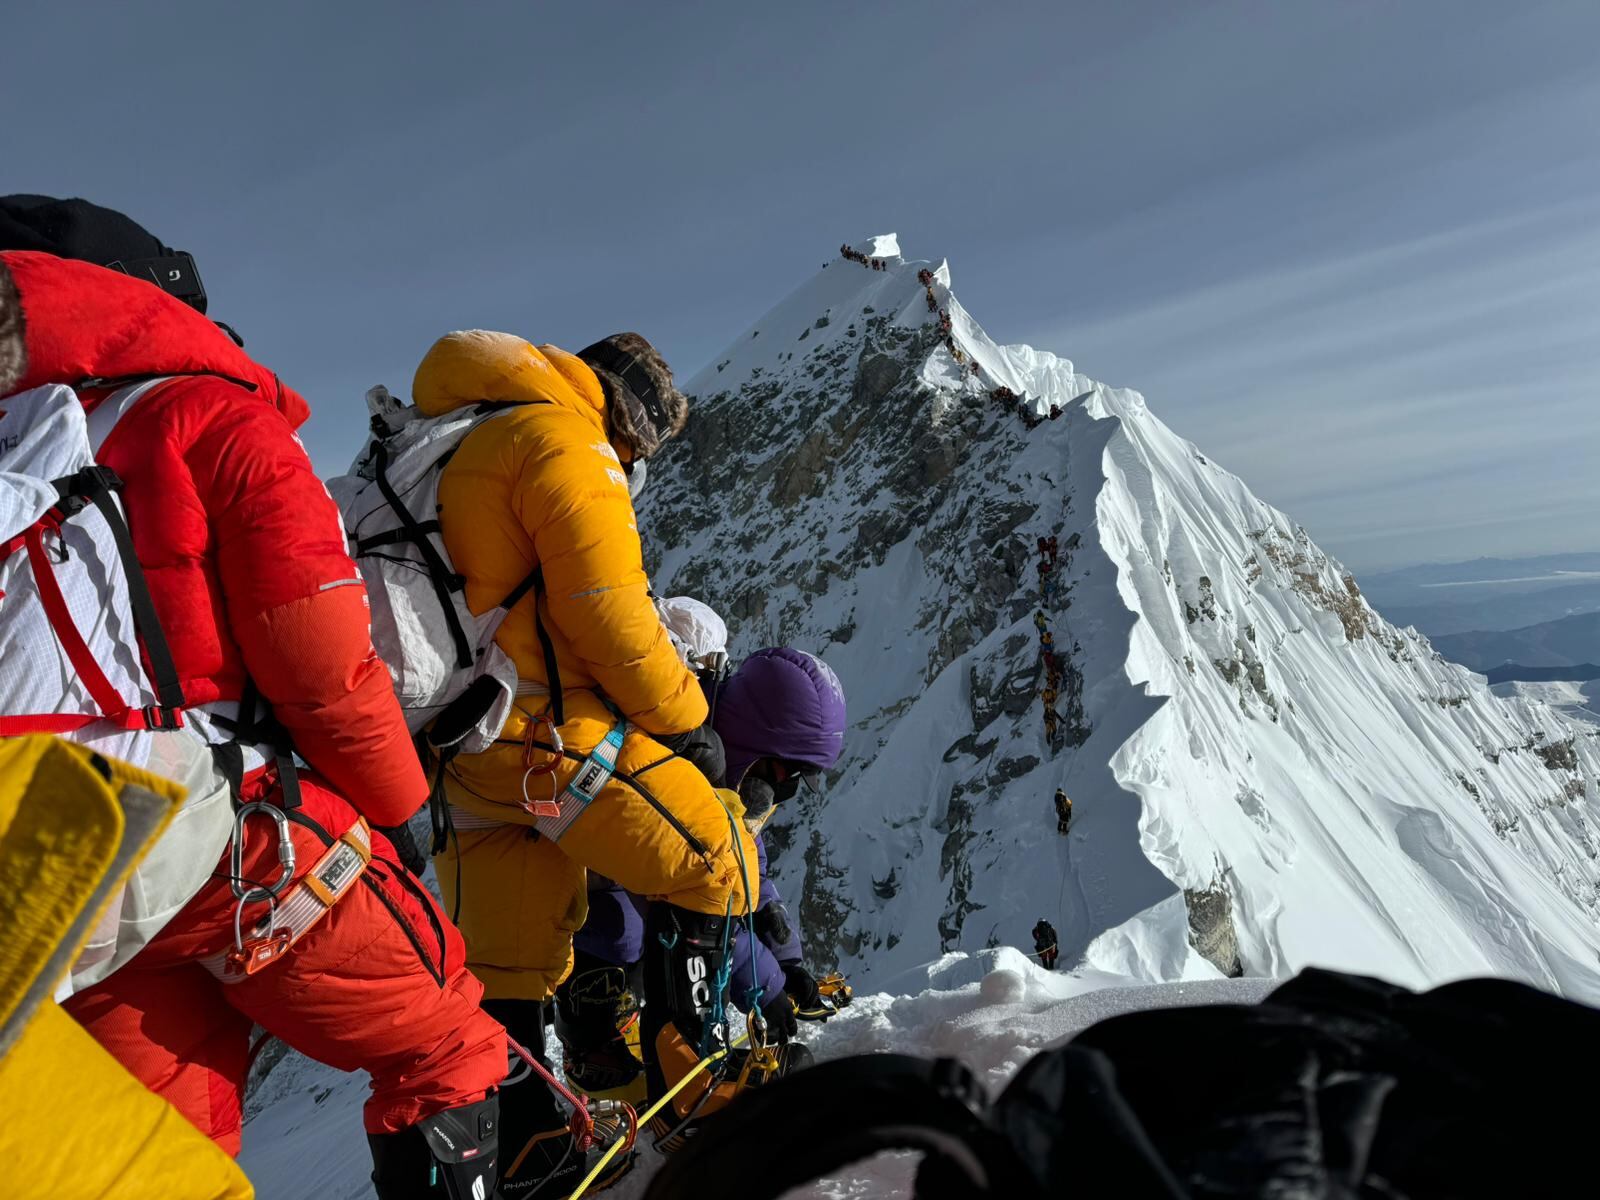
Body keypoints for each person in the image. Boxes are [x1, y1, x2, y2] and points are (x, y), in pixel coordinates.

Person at [0, 197, 508, 1200]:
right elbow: (323, 666)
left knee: (152, 1140)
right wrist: (402, 815)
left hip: (39, 847)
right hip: (192, 823)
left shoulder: (22, 434)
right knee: (441, 1038)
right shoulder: (206, 411)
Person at [415, 329, 768, 1184]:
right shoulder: (567, 441)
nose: (642, 461)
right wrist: (689, 725)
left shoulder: (460, 432)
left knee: (507, 959)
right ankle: (702, 1092)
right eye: (646, 444)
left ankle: (532, 1147)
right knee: (718, 856)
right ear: (630, 417)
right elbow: (611, 619)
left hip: (455, 749)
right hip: (541, 740)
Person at [558, 648, 848, 1128]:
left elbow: (744, 859)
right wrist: (766, 985)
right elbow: (689, 897)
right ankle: (601, 1058)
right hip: (585, 868)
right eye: (785, 772)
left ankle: (651, 1048)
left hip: (625, 871)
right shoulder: (673, 753)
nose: (787, 790)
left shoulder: (727, 761)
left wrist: (786, 956)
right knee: (624, 931)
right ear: (755, 741)